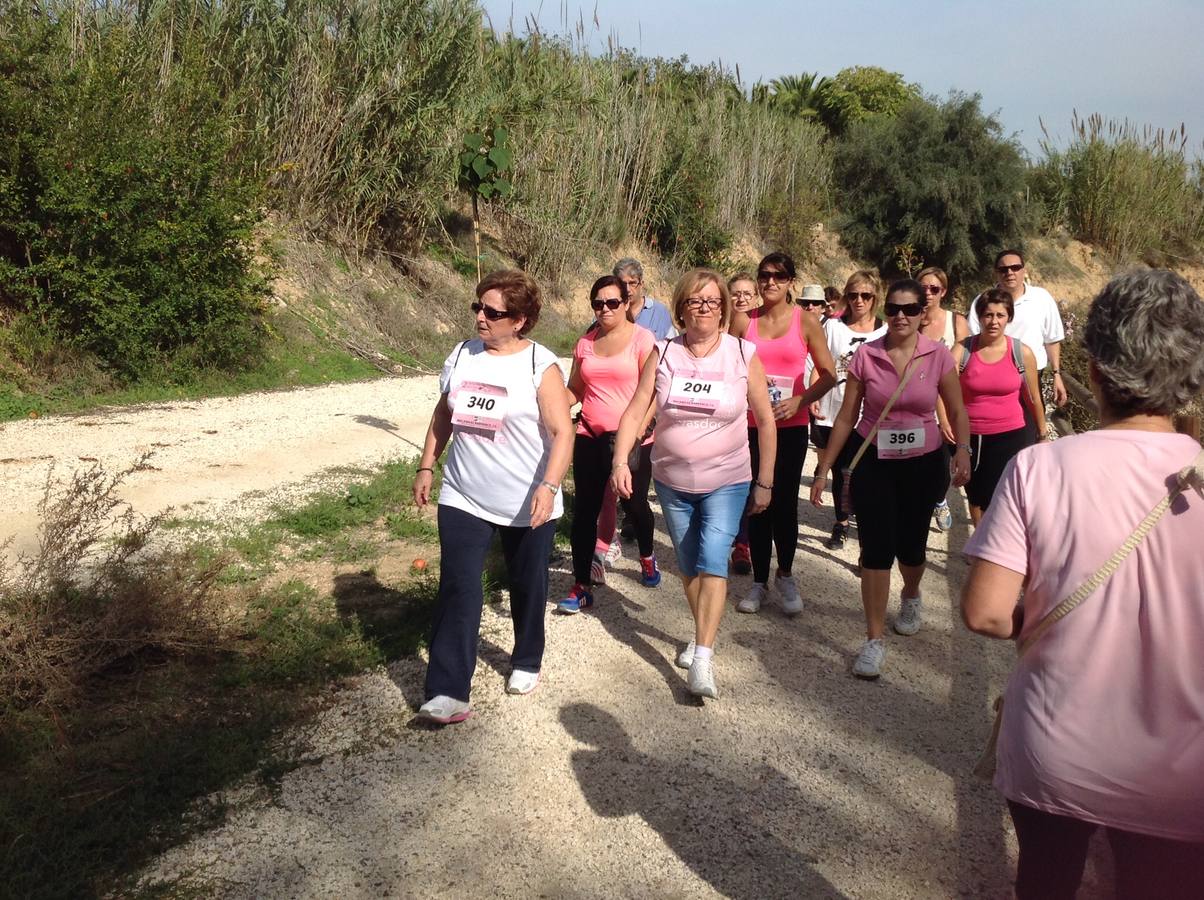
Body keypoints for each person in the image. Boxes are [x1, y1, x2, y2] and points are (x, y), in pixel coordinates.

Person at [961, 268, 1204, 899]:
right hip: (1183, 773)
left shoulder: (1038, 467)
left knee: (1044, 881)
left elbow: (985, 613)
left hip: (1055, 754)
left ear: (1092, 369)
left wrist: (1043, 617)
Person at [411, 270, 573, 724]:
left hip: (528, 499)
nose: (481, 317)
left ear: (519, 320)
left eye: (492, 312)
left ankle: (526, 658)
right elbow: (444, 414)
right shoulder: (463, 354)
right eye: (477, 307)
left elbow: (563, 433)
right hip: (464, 493)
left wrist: (549, 485)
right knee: (459, 586)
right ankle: (448, 691)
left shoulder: (540, 365)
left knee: (527, 585)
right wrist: (428, 464)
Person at [611, 268, 776, 699]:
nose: (704, 309)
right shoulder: (664, 353)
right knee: (687, 563)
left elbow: (766, 421)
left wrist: (766, 480)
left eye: (713, 302)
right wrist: (620, 460)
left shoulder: (742, 353)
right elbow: (634, 411)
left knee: (713, 558)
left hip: (728, 478)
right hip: (672, 479)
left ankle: (703, 655)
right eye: (695, 302)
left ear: (724, 308)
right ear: (681, 308)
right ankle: (702, 630)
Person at [809, 279, 970, 679]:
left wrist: (963, 448)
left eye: (910, 309)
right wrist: (824, 467)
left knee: (911, 549)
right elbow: (847, 415)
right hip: (873, 461)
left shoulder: (937, 357)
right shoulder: (866, 355)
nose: (901, 316)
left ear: (922, 313)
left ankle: (912, 592)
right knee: (876, 549)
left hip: (923, 463)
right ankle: (874, 639)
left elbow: (956, 408)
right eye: (895, 309)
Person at [730, 257, 836, 614]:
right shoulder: (745, 321)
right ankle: (759, 581)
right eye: (765, 276)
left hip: (789, 426)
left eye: (779, 276)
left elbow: (828, 374)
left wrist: (801, 400)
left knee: (785, 502)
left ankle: (785, 574)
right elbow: (726, 365)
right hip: (750, 426)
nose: (770, 282)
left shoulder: (805, 322)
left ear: (791, 281)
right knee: (757, 501)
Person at [559, 276, 659, 613]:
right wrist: (550, 401)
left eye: (612, 302)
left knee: (634, 505)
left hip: (631, 438)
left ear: (627, 303)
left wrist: (642, 430)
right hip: (589, 434)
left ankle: (647, 555)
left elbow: (654, 392)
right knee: (584, 512)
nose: (605, 309)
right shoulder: (585, 343)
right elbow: (575, 389)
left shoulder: (644, 340)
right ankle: (581, 585)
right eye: (598, 303)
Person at [809, 270, 887, 549]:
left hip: (871, 415)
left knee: (867, 476)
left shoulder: (885, 331)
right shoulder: (832, 326)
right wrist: (813, 395)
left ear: (875, 298)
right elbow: (821, 362)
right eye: (853, 295)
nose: (859, 301)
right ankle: (841, 523)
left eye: (865, 295)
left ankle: (868, 537)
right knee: (840, 471)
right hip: (835, 407)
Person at [954, 288, 1046, 525]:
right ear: (980, 317)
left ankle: (995, 542)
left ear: (1009, 318)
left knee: (1003, 492)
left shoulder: (1021, 353)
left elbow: (1033, 396)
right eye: (988, 315)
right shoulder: (962, 350)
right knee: (974, 490)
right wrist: (945, 423)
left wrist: (1042, 433)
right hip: (972, 434)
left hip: (1011, 434)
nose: (994, 321)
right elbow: (943, 391)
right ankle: (979, 539)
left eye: (1000, 315)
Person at [967, 250, 1069, 425]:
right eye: (1003, 269)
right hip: (994, 378)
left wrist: (1056, 374)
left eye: (1015, 267)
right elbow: (973, 340)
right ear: (996, 273)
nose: (1009, 273)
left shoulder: (1041, 298)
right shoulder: (982, 302)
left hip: (1032, 376)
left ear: (1024, 270)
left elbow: (1052, 339)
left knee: (1033, 426)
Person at [919, 266, 970, 532]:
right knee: (922, 459)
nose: (928, 294)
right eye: (923, 288)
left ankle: (939, 499)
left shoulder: (956, 322)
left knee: (945, 460)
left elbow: (964, 357)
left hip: (950, 401)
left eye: (934, 289)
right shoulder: (912, 320)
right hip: (919, 402)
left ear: (944, 292)